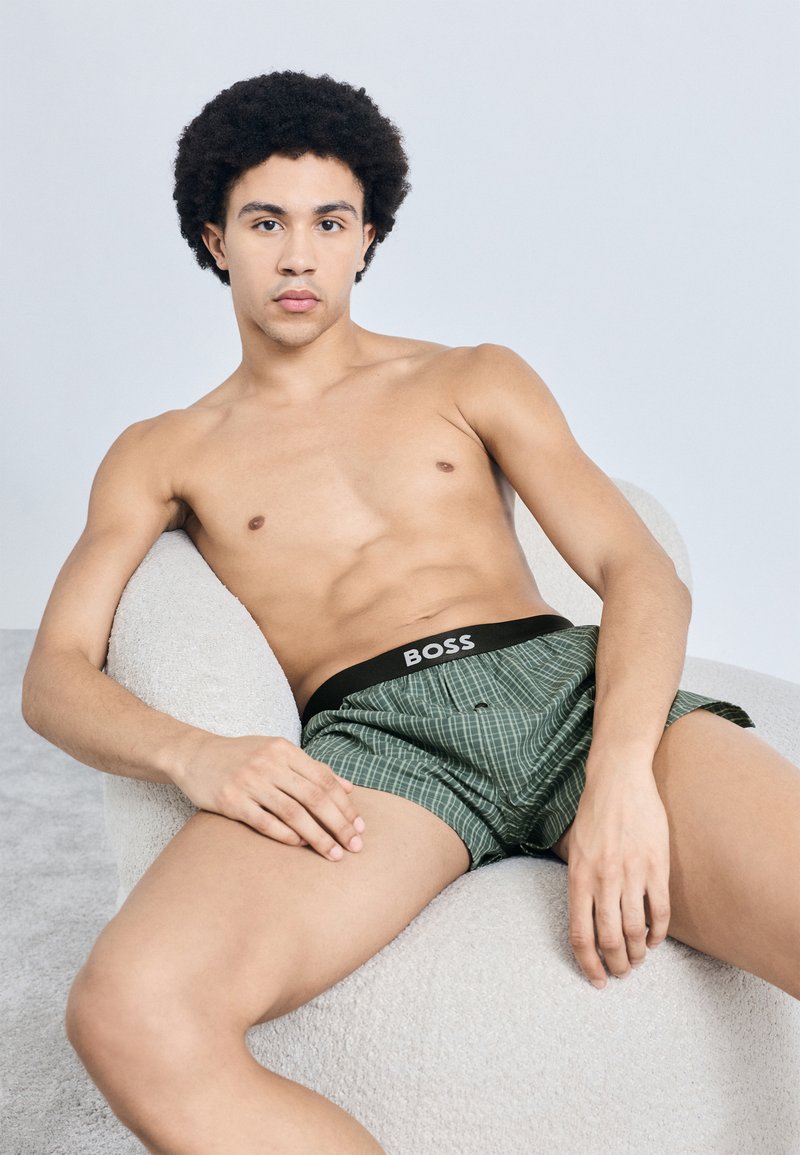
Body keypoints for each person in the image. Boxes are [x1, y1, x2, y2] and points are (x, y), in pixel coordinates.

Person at [21, 69, 800, 1155]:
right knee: (130, 1013)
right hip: (376, 748)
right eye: (266, 223)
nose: (299, 255)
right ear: (215, 240)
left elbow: (639, 571)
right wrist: (198, 755)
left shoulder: (472, 377)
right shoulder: (163, 451)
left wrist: (621, 777)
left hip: (566, 691)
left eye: (329, 222)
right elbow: (53, 675)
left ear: (367, 238)